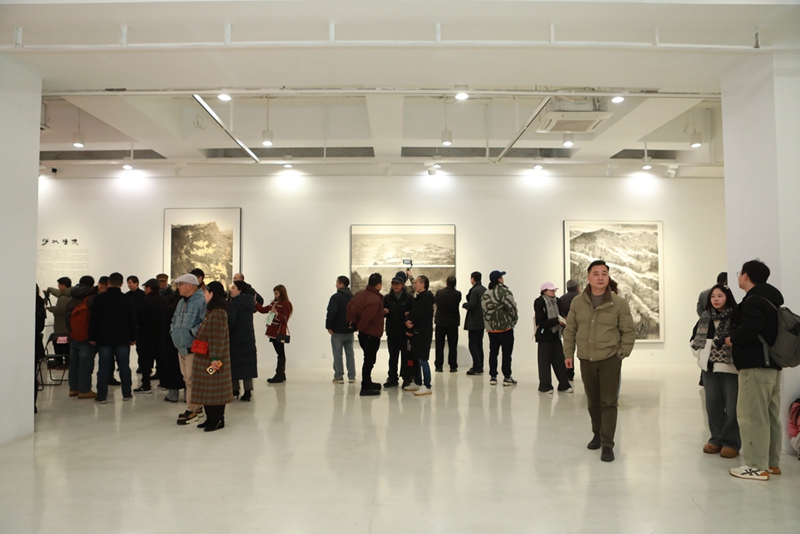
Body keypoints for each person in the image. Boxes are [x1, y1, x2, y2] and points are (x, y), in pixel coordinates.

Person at [563, 260, 636, 463]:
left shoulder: (619, 303)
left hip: (610, 359)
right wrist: (568, 354)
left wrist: (621, 353)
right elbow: (570, 330)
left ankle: (607, 443)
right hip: (586, 359)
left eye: (604, 273)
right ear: (588, 278)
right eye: (596, 274)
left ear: (608, 277)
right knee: (593, 401)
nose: (600, 277)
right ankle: (597, 433)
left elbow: (629, 332)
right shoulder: (578, 302)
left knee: (609, 402)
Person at [726, 260, 785, 481]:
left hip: (755, 366)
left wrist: (733, 339)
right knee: (769, 416)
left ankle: (755, 466)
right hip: (772, 366)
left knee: (751, 416)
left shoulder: (753, 301)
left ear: (746, 276)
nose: (738, 276)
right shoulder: (771, 300)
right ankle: (771, 463)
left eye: (740, 273)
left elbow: (751, 328)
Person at [690, 284, 740, 458]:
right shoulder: (705, 317)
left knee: (732, 408)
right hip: (709, 368)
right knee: (713, 406)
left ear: (727, 297)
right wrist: (702, 353)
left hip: (730, 369)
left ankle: (731, 442)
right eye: (713, 296)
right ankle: (716, 439)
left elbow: (739, 339)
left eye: (720, 296)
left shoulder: (736, 317)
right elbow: (694, 339)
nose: (716, 299)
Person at [88, 272, 137, 404]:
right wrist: (133, 337)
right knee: (124, 367)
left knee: (103, 368)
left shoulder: (99, 299)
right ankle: (126, 393)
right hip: (122, 338)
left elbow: (94, 320)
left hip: (104, 338)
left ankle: (102, 396)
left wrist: (92, 336)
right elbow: (132, 320)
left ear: (108, 282)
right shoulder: (127, 299)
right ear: (121, 283)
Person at [192, 281, 234, 432]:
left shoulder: (217, 313)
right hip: (206, 358)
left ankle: (217, 420)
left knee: (214, 390)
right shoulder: (212, 311)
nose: (204, 295)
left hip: (213, 360)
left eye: (206, 292)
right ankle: (210, 418)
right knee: (207, 389)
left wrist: (214, 358)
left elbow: (217, 337)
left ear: (212, 294)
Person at [170, 273, 206, 424]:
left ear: (190, 286)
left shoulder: (201, 301)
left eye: (181, 284)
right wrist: (173, 331)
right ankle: (197, 407)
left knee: (192, 379)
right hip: (181, 346)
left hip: (193, 347)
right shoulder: (181, 302)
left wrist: (191, 333)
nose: (178, 287)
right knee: (187, 378)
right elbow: (174, 319)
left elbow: (205, 322)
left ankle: (192, 409)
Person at [347, 273, 385, 396]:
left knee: (368, 359)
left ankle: (368, 382)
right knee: (369, 360)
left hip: (364, 334)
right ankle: (365, 386)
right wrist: (361, 327)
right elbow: (368, 317)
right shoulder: (375, 299)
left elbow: (351, 309)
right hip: (370, 334)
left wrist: (355, 326)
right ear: (378, 285)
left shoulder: (360, 295)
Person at [481, 270, 519, 386]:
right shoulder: (504, 291)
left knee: (493, 352)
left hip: (491, 329)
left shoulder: (486, 293)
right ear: (499, 279)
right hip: (505, 328)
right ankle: (507, 377)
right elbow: (512, 308)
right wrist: (513, 321)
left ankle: (493, 376)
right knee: (506, 353)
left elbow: (484, 310)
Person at [534, 282, 571, 393]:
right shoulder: (539, 302)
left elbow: (562, 313)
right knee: (544, 362)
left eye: (554, 290)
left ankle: (564, 384)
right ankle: (545, 385)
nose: (553, 292)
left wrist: (563, 320)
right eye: (551, 290)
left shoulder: (558, 301)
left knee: (559, 360)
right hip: (544, 336)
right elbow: (540, 321)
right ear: (544, 291)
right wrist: (556, 321)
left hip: (555, 335)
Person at [65, 275, 97, 399]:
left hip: (73, 335)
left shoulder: (71, 298)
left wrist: (71, 332)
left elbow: (67, 317)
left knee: (73, 364)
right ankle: (84, 390)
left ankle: (73, 389)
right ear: (92, 285)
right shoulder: (91, 299)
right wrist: (93, 335)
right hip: (86, 337)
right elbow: (94, 319)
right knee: (85, 364)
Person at [134, 278, 167, 394]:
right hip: (161, 335)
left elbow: (139, 318)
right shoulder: (164, 301)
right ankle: (163, 383)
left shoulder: (146, 301)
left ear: (150, 288)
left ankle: (146, 385)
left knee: (146, 361)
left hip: (146, 336)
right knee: (161, 360)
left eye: (146, 287)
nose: (145, 290)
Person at [382, 271, 414, 388]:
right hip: (392, 332)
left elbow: (413, 314)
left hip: (404, 332)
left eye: (398, 284)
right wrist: (384, 312)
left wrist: (410, 329)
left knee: (406, 356)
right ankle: (392, 378)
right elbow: (382, 313)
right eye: (394, 284)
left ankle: (406, 378)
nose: (395, 286)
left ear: (402, 285)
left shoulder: (409, 298)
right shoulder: (387, 298)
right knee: (393, 356)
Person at [404, 275, 435, 396]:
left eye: (416, 283)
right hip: (418, 332)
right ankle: (417, 382)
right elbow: (414, 313)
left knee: (422, 359)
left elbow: (416, 315)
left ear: (423, 284)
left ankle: (427, 385)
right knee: (417, 358)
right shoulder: (421, 298)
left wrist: (409, 320)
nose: (414, 285)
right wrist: (409, 318)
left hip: (423, 333)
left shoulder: (425, 300)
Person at [255, 285, 293, 384]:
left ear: (282, 294)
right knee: (280, 353)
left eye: (277, 293)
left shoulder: (286, 304)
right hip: (272, 332)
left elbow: (285, 319)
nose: (275, 295)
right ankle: (281, 374)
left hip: (279, 332)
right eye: (274, 293)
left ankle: (279, 375)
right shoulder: (274, 303)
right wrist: (255, 303)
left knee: (280, 353)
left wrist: (276, 313)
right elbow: (263, 310)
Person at [228, 280, 258, 400]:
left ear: (239, 290)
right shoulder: (249, 302)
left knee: (234, 363)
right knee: (247, 364)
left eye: (233, 288)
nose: (231, 290)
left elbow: (232, 321)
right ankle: (248, 391)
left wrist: (227, 331)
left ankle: (235, 390)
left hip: (235, 337)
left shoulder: (235, 303)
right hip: (248, 337)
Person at [327, 275, 356, 385]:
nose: (336, 285)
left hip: (338, 330)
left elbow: (332, 312)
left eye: (337, 283)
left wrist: (329, 326)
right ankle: (352, 376)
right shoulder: (353, 297)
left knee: (337, 354)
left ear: (341, 284)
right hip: (349, 329)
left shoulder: (335, 297)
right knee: (350, 353)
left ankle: (339, 376)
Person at [160, 292, 186, 403]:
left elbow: (165, 328)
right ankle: (188, 395)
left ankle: (173, 394)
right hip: (187, 343)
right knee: (187, 369)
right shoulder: (190, 310)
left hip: (172, 343)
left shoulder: (170, 309)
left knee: (172, 368)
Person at [434, 275, 462, 373]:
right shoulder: (458, 294)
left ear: (446, 283)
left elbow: (436, 302)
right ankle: (453, 366)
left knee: (439, 345)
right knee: (453, 345)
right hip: (453, 323)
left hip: (441, 322)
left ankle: (439, 366)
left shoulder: (439, 293)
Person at [463, 271, 486, 375]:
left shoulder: (475, 290)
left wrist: (464, 305)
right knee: (479, 344)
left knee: (472, 344)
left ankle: (476, 366)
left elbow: (472, 304)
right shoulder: (484, 289)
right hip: (482, 321)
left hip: (474, 321)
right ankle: (480, 366)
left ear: (473, 279)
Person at [45, 276, 72, 369]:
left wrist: (50, 308)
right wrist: (49, 289)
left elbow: (61, 310)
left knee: (61, 344)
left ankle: (62, 362)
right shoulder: (67, 293)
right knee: (61, 344)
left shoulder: (64, 298)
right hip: (64, 326)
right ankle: (61, 361)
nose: (58, 287)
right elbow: (56, 292)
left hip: (62, 327)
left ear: (63, 285)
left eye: (59, 285)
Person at [559, 279, 581, 381]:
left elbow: (559, 314)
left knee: (568, 351)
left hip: (567, 328)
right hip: (581, 328)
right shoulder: (582, 298)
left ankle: (569, 373)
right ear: (577, 287)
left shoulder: (562, 299)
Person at [35, 285, 46, 414]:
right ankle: (32, 405)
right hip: (36, 341)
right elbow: (40, 326)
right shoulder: (39, 302)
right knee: (32, 375)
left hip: (30, 341)